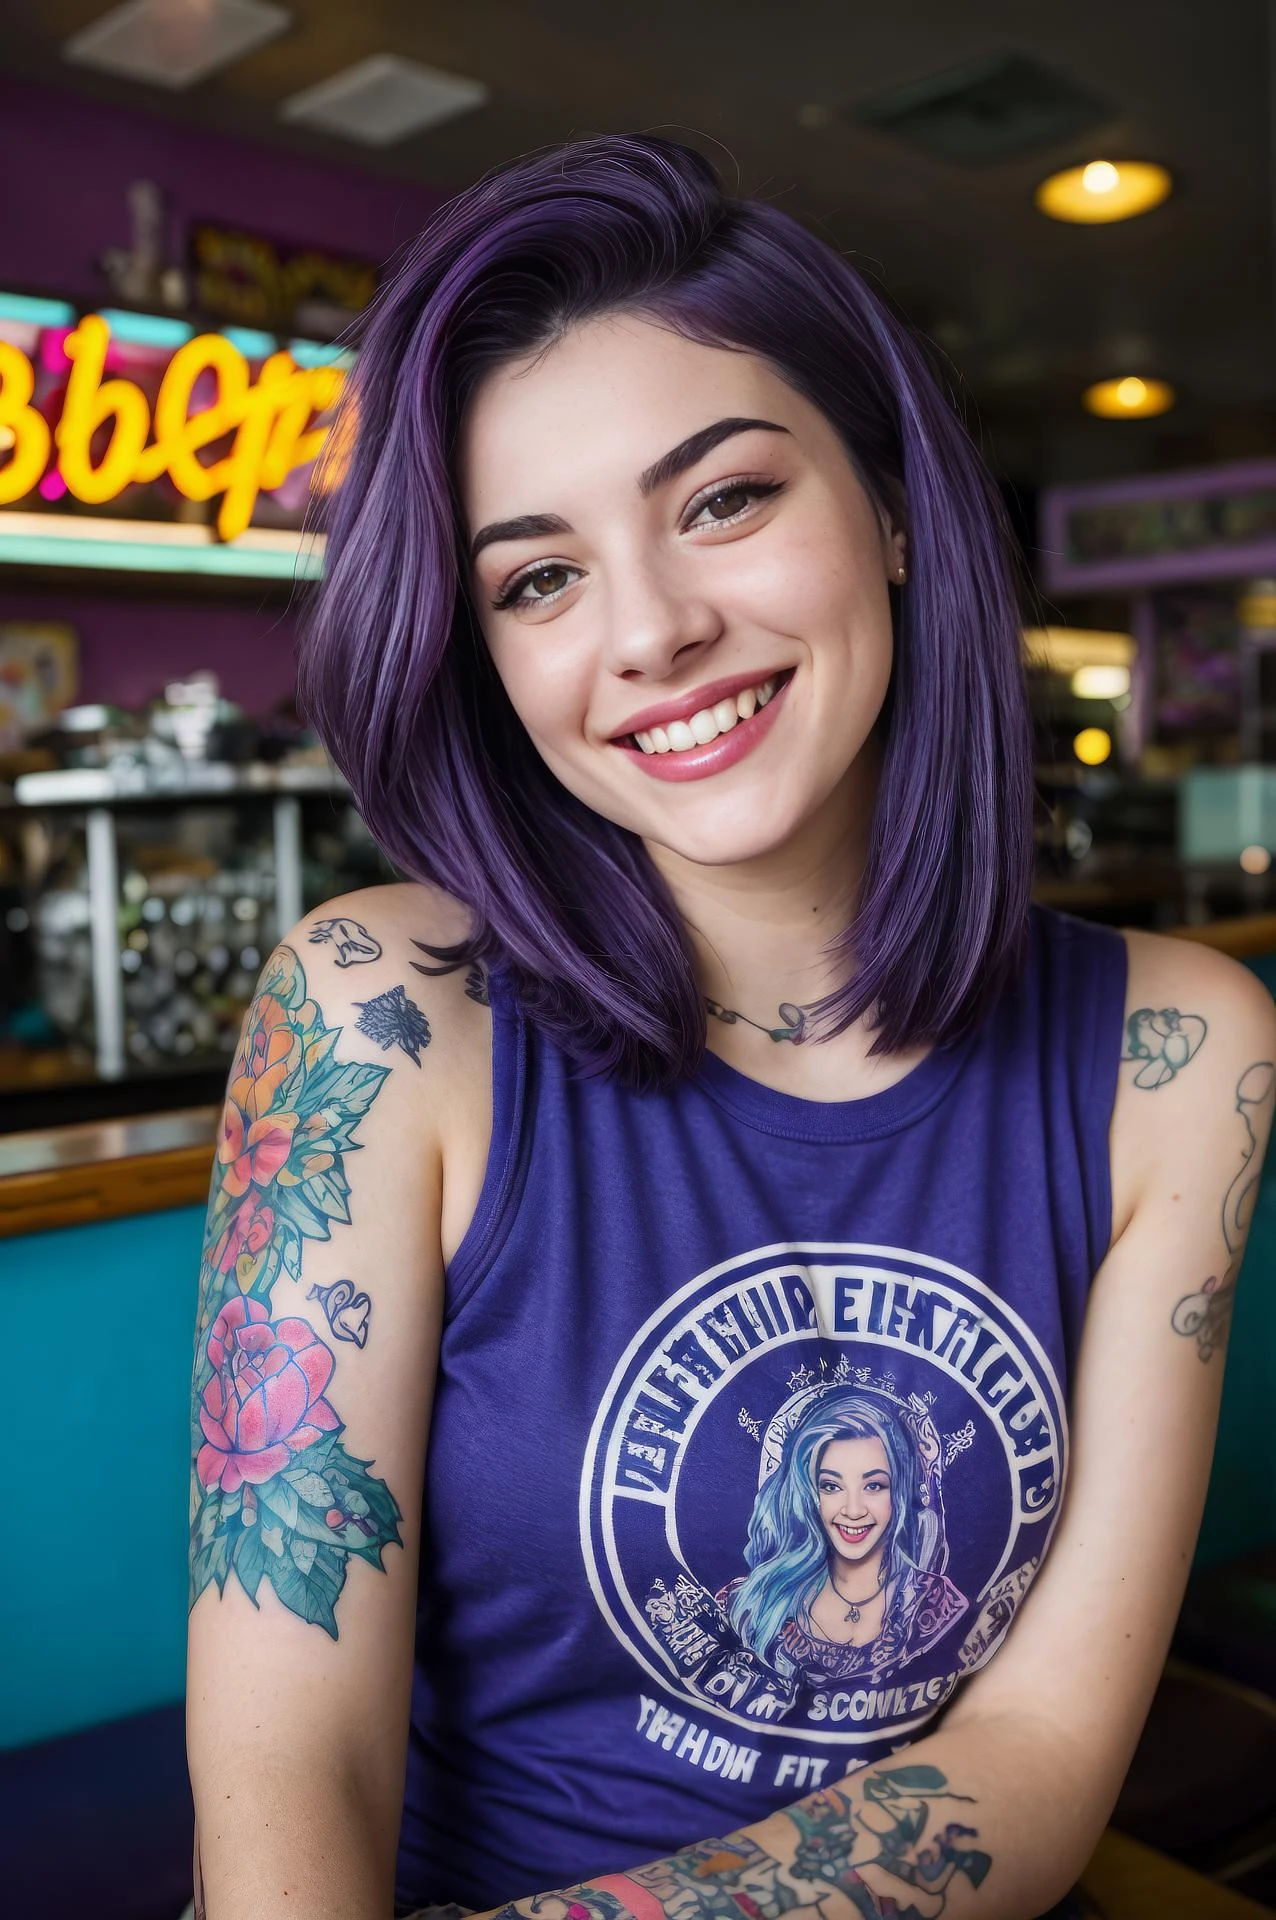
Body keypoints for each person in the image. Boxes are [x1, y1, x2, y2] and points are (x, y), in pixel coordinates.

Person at [185, 135, 1276, 1920]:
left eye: (724, 499)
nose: (656, 631)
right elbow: (300, 1747)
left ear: (900, 504)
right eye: (537, 579)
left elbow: (1046, 1751)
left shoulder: (1180, 1050)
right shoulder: (380, 1017)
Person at [719, 1386, 967, 1688]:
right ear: (809, 1495)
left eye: (874, 1486)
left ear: (899, 1493)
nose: (853, 1510)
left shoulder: (937, 1604)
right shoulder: (753, 1602)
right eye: (831, 1486)